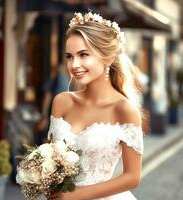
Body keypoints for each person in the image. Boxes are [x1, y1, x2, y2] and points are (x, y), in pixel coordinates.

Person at [47, 12, 143, 200]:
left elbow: (132, 177)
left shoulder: (124, 110)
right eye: (69, 56)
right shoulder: (61, 102)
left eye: (84, 55)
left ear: (107, 58)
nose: (74, 64)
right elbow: (50, 158)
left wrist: (77, 195)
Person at [36, 64, 69, 145]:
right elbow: (47, 96)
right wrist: (44, 116)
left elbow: (47, 96)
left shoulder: (65, 78)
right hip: (57, 114)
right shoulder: (60, 77)